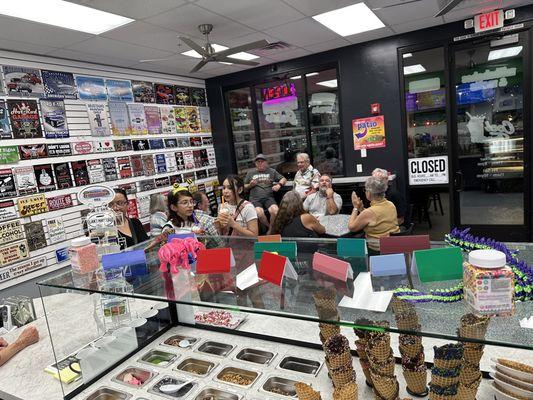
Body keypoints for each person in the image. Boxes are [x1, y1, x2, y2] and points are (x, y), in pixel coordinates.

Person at [348, 176, 399, 252]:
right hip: (393, 245)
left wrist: (355, 208)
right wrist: (361, 209)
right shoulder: (390, 204)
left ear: (369, 193)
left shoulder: (369, 212)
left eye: (365, 190)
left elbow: (351, 227)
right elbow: (375, 218)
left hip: (377, 249)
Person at [244, 154, 286, 230]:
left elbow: (283, 179)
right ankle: (269, 228)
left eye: (262, 161)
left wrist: (278, 185)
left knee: (275, 211)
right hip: (255, 199)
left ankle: (271, 229)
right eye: (258, 162)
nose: (260, 163)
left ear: (266, 162)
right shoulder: (250, 173)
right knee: (259, 213)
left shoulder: (272, 171)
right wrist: (250, 185)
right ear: (255, 164)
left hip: (268, 198)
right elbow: (243, 187)